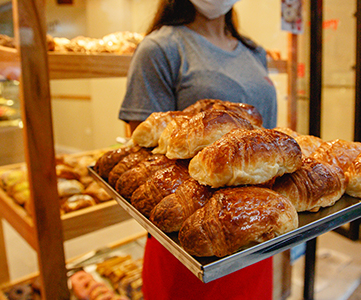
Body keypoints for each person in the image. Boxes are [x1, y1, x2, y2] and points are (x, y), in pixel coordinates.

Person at [118, 0, 278, 299]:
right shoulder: (160, 49)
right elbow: (143, 156)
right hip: (191, 244)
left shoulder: (254, 51)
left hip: (254, 231)